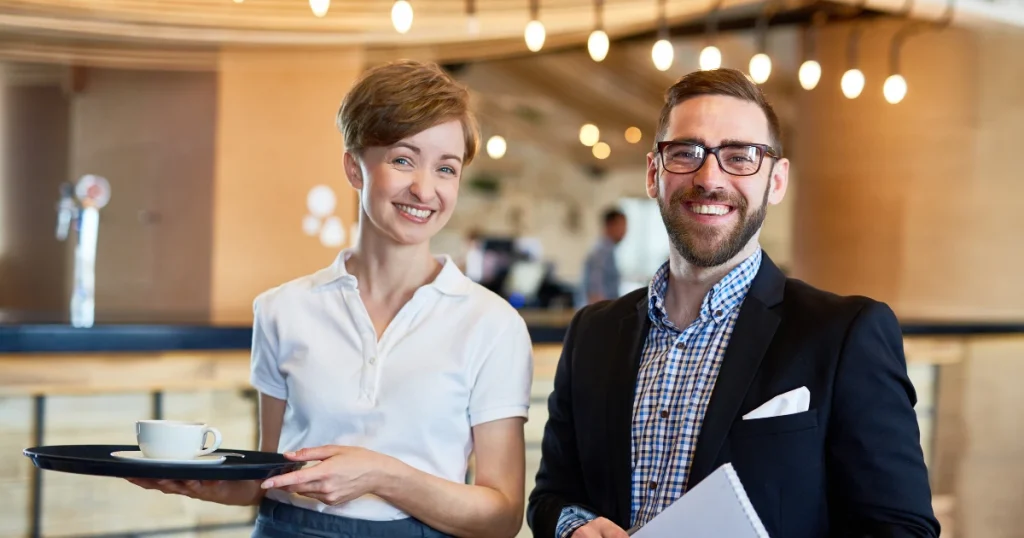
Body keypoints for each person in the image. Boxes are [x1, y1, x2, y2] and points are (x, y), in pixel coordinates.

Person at [128, 59, 534, 538]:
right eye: (402, 159)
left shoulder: (492, 324)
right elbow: (271, 474)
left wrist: (383, 475)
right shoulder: (282, 309)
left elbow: (503, 516)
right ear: (354, 167)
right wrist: (199, 481)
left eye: (445, 168)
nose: (424, 189)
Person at [527, 68, 939, 538]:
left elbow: (901, 528)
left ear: (776, 180)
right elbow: (551, 496)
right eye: (686, 153)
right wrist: (573, 526)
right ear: (652, 173)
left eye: (740, 157)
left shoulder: (845, 333)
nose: (709, 178)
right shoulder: (592, 334)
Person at [577, 209, 628, 307]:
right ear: (610, 225)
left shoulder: (608, 251)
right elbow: (595, 294)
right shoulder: (601, 253)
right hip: (600, 315)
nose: (625, 231)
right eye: (622, 225)